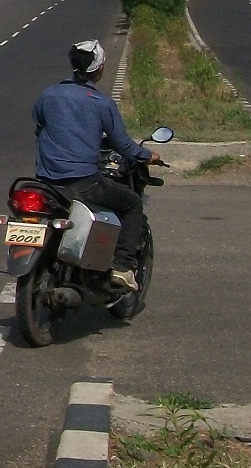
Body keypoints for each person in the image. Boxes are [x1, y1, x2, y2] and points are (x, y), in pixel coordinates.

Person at [32, 39, 164, 292]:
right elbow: (124, 145)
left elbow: (41, 127)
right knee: (132, 204)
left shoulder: (48, 95)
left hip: (46, 183)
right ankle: (122, 267)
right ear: (99, 69)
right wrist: (147, 155)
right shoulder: (101, 103)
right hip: (83, 183)